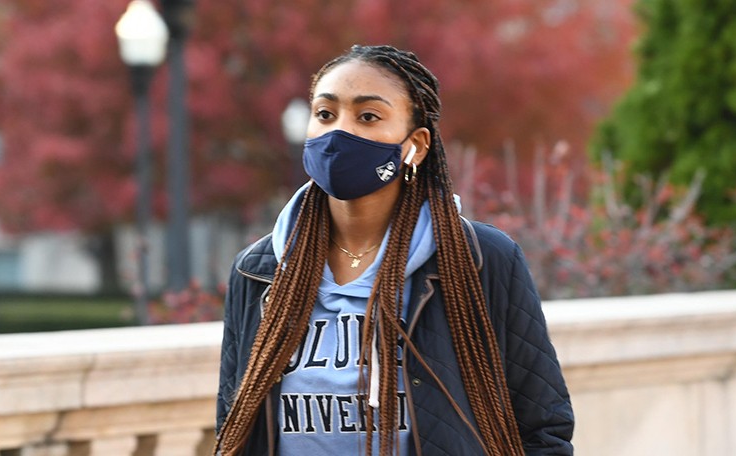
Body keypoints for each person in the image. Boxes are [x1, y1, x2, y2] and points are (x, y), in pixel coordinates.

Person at [215, 45, 573, 456]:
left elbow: (543, 427)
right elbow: (235, 423)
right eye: (325, 114)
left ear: (416, 145)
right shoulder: (258, 270)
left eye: (368, 116)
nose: (339, 132)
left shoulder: (480, 259)